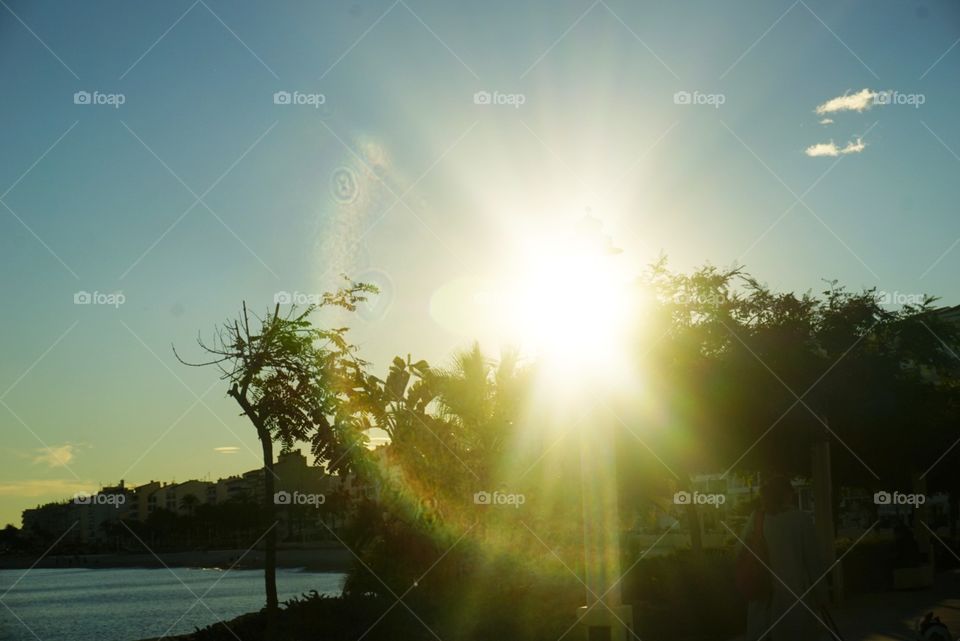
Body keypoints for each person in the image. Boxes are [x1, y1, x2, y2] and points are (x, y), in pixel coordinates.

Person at [740, 475, 830, 641]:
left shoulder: (756, 519)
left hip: (762, 598)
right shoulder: (801, 520)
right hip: (795, 599)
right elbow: (813, 563)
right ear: (786, 495)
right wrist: (821, 597)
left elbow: (740, 552)